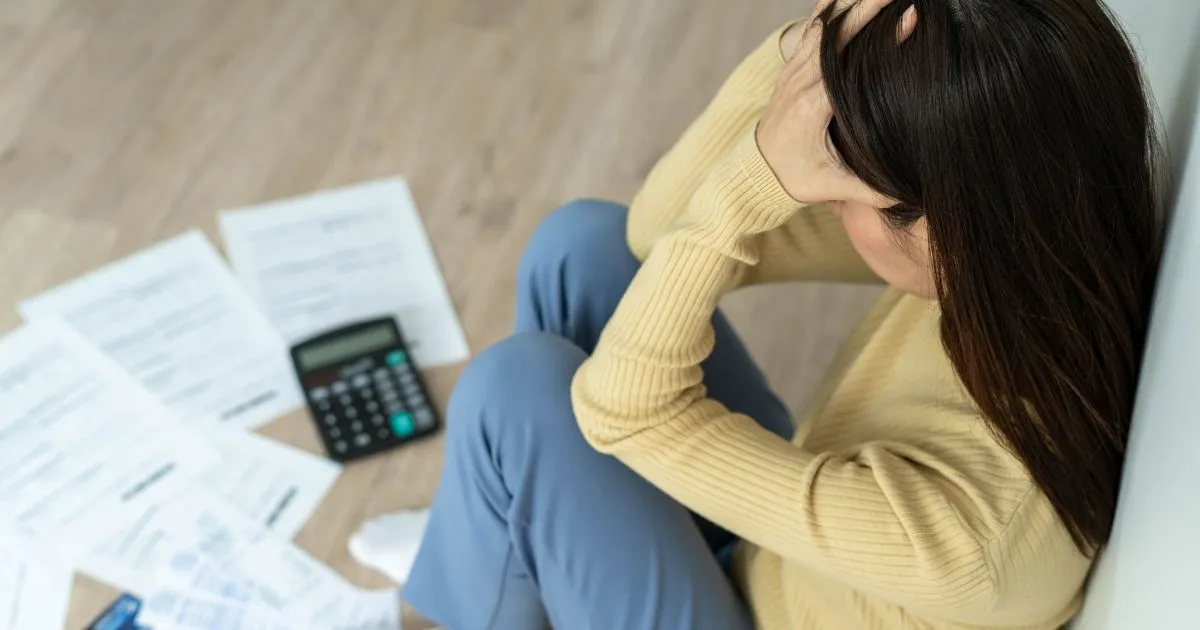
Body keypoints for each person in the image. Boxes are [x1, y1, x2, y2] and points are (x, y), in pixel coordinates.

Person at [404, 0, 1164, 627]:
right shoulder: (1041, 233)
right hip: (788, 553)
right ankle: (510, 556)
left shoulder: (975, 544)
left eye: (843, 193)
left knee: (518, 392)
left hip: (761, 608)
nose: (826, 203)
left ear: (934, 225)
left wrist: (755, 183)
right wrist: (809, 52)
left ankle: (482, 579)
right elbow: (654, 232)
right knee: (586, 247)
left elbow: (620, 413)